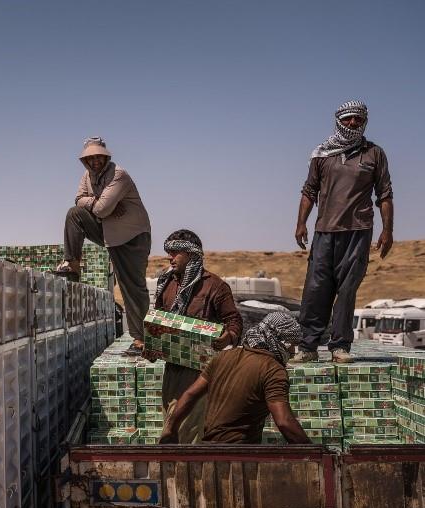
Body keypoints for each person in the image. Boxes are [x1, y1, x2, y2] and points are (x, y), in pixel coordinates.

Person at [293, 100, 394, 364]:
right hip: (325, 231)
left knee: (348, 289)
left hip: (358, 232)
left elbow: (384, 194)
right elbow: (309, 191)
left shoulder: (374, 154)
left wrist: (388, 231)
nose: (352, 123)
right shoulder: (322, 154)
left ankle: (340, 346)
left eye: (357, 119)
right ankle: (308, 346)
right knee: (316, 288)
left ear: (364, 122)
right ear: (339, 121)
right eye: (347, 118)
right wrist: (301, 223)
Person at [56, 136, 151, 356]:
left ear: (105, 156)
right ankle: (72, 264)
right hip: (109, 232)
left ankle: (143, 341)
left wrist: (100, 206)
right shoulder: (87, 176)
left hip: (132, 238)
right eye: (90, 158)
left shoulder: (118, 174)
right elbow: (81, 199)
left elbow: (100, 211)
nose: (95, 161)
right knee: (75, 214)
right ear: (85, 160)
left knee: (132, 288)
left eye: (98, 156)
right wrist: (97, 202)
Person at [159, 312, 311, 445]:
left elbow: (190, 394)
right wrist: (313, 452)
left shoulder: (224, 357)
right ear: (278, 341)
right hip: (241, 454)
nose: (292, 352)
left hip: (209, 447)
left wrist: (170, 429)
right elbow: (284, 422)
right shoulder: (273, 370)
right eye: (292, 345)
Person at [153, 229, 243, 443]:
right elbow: (157, 322)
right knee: (170, 426)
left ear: (192, 255)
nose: (170, 257)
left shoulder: (215, 285)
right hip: (172, 368)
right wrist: (150, 345)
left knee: (188, 432)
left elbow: (234, 320)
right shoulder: (166, 283)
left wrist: (227, 337)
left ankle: (187, 474)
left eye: (176, 253)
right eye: (169, 252)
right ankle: (176, 473)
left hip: (200, 371)